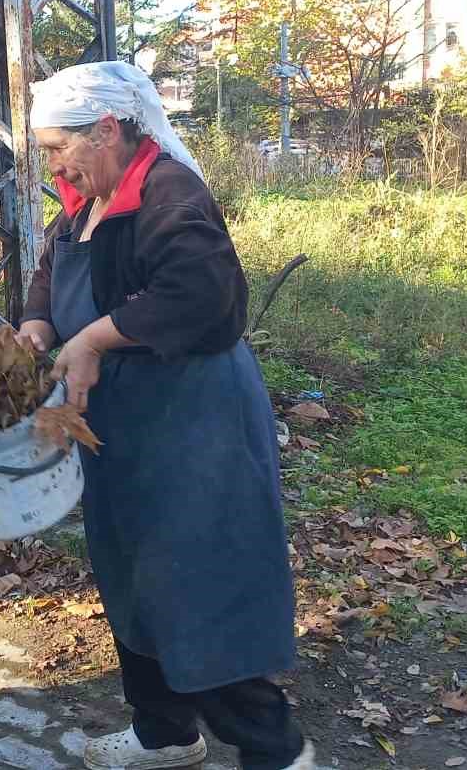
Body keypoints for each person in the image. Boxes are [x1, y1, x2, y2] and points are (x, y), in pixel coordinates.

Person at [16, 62, 317, 770]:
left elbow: (203, 293)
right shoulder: (87, 198)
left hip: (193, 424)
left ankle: (277, 751)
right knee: (133, 581)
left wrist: (94, 338)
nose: (53, 165)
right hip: (123, 428)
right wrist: (37, 325)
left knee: (198, 586)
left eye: (59, 147)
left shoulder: (169, 192)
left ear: (107, 130)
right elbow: (52, 270)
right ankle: (166, 732)